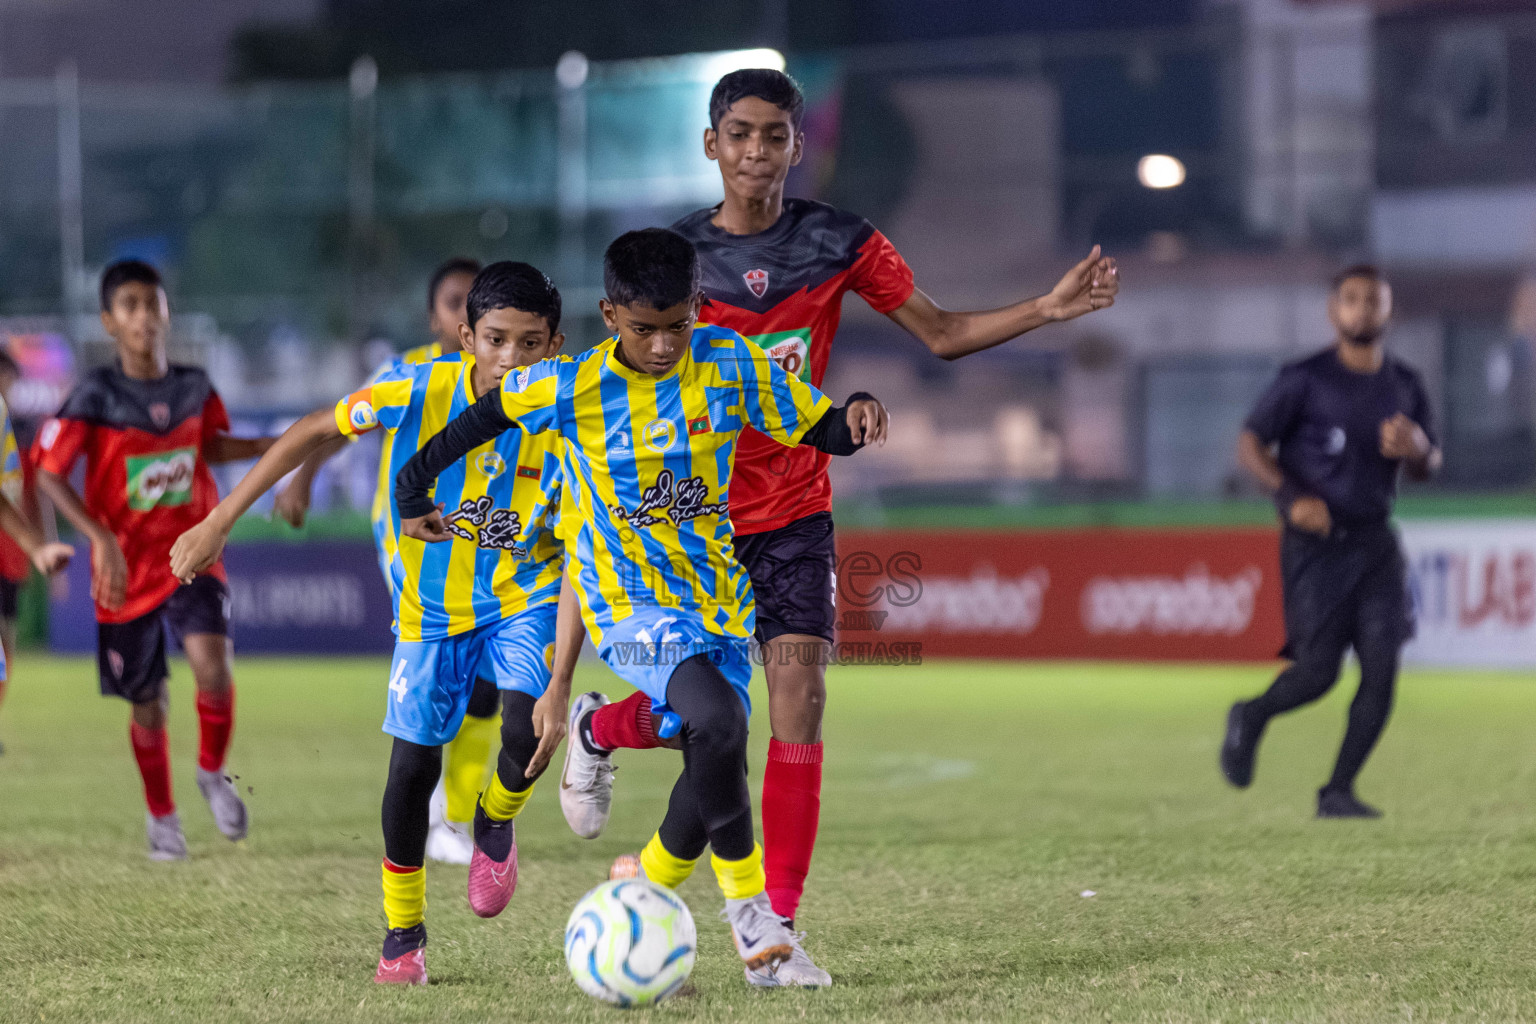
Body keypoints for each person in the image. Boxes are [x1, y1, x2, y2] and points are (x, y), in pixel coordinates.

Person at [560, 67, 1122, 987]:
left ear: (797, 145)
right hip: (683, 523)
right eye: (738, 134)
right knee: (709, 717)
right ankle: (605, 731)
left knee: (799, 703)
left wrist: (1046, 310)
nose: (756, 152)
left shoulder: (839, 241)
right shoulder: (672, 261)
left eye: (774, 136)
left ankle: (774, 934)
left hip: (793, 513)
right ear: (712, 144)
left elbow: (937, 333)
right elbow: (603, 375)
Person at [394, 228, 887, 981]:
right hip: (628, 604)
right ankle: (759, 936)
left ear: (699, 307)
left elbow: (814, 423)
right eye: (643, 329)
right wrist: (413, 489)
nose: (662, 346)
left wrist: (852, 415)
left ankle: (607, 756)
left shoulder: (729, 364)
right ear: (610, 313)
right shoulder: (571, 385)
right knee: (720, 724)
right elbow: (477, 420)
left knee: (711, 749)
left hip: (718, 598)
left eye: (677, 326)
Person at [170, 262, 570, 985]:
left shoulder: (575, 409)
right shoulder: (418, 389)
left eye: (531, 343)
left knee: (524, 728)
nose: (512, 359)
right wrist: (220, 520)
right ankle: (403, 934)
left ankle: (494, 816)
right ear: (464, 337)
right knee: (411, 768)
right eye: (497, 340)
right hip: (430, 610)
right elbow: (315, 428)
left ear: (556, 344)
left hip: (527, 594)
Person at [33, 259, 275, 859]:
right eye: (130, 305)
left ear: (167, 311)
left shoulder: (195, 386)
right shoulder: (95, 392)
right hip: (124, 570)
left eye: (152, 303)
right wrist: (100, 537)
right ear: (109, 322)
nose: (144, 315)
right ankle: (162, 816)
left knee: (212, 666)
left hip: (192, 551)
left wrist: (278, 446)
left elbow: (211, 445)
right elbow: (48, 473)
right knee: (149, 701)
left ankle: (211, 772)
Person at [275, 256, 497, 866]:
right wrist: (301, 479)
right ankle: (436, 815)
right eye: (454, 302)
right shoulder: (408, 373)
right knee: (450, 678)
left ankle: (453, 814)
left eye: (475, 300)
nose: (464, 313)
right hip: (412, 544)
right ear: (435, 317)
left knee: (485, 691)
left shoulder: (515, 378)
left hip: (487, 542)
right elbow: (340, 425)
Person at [1221, 264, 1441, 819]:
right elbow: (1250, 443)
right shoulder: (1304, 378)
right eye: (1351, 299)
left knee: (1382, 667)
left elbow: (1429, 463)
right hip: (1315, 547)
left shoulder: (1406, 384)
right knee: (1318, 674)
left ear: (1389, 311)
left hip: (1375, 544)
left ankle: (1337, 790)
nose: (1363, 308)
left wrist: (1417, 448)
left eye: (1374, 300)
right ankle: (1251, 715)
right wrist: (1289, 494)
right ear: (1333, 310)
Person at [0, 372, 75, 752]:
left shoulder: (18, 433)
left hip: (9, 555)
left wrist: (41, 548)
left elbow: (33, 498)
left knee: (5, 642)